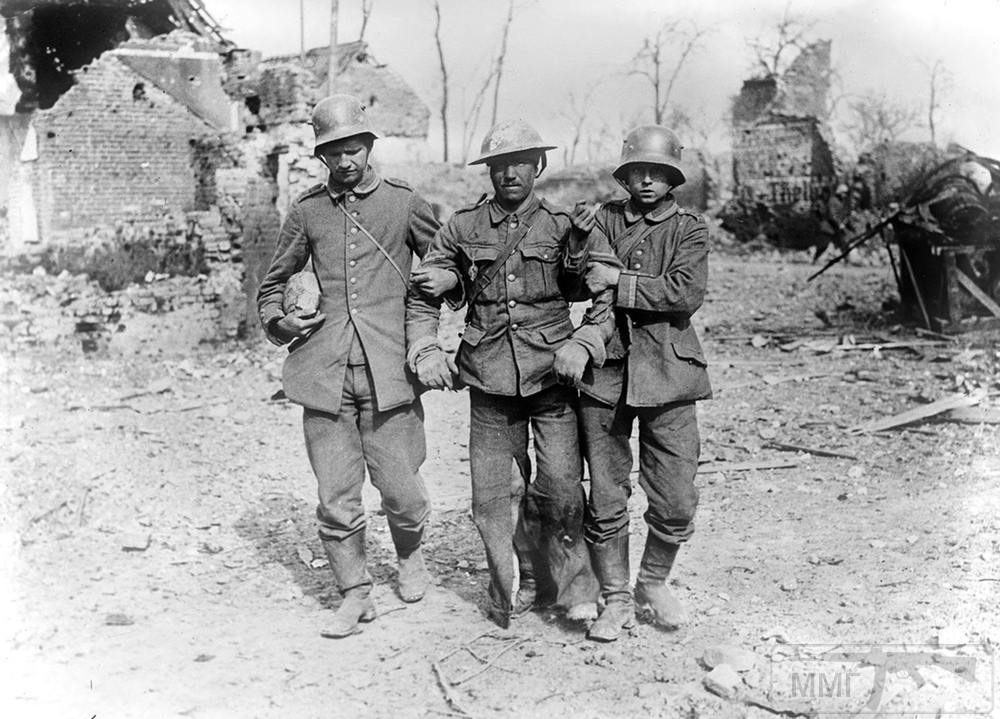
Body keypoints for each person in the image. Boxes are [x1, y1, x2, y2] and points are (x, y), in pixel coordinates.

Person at [406, 119, 614, 628]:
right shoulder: (461, 226)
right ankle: (512, 586)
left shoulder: (566, 226)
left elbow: (606, 294)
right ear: (489, 172)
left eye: (521, 163)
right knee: (494, 497)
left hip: (552, 376)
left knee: (562, 488)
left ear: (538, 166)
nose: (510, 174)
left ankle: (573, 587)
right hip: (488, 376)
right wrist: (425, 351)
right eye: (500, 166)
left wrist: (584, 343)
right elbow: (423, 293)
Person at [257, 94, 440, 638]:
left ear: (369, 146)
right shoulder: (309, 211)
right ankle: (354, 592)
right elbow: (271, 286)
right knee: (335, 494)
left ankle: (411, 555)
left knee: (402, 489)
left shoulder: (404, 203)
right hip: (325, 369)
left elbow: (444, 267)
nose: (346, 161)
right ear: (322, 156)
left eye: (354, 149)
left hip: (389, 371)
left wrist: (427, 327)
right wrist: (280, 322)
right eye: (334, 153)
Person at [576, 125, 712, 642]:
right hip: (606, 373)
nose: (647, 182)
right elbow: (592, 278)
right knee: (606, 495)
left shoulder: (690, 229)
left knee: (676, 496)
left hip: (670, 375)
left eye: (658, 173)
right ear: (626, 176)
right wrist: (597, 267)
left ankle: (653, 582)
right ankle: (614, 598)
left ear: (672, 177)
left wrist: (619, 281)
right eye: (639, 173)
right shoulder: (606, 220)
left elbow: (685, 293)